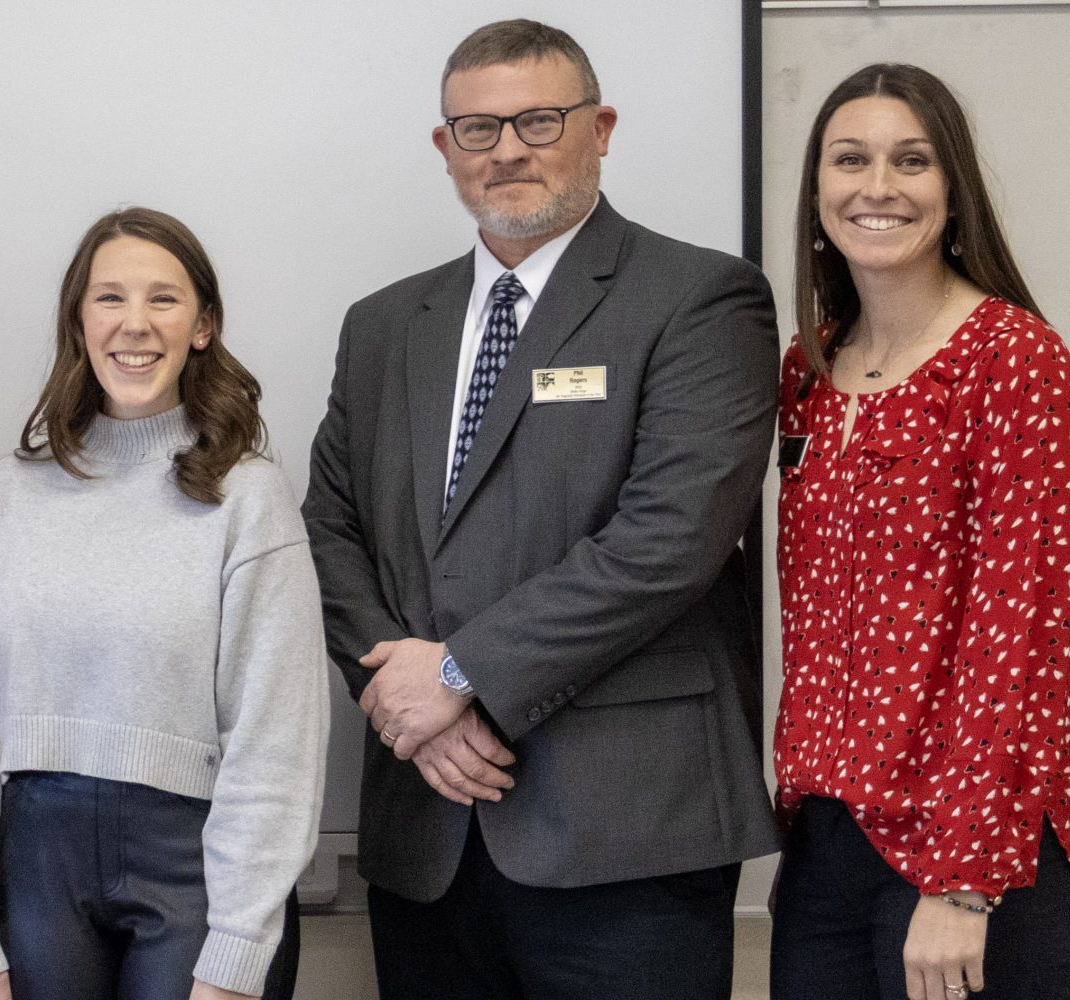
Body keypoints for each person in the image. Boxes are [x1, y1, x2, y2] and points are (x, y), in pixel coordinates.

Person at [301, 18, 781, 999]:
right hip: (427, 828)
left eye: (539, 120)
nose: (507, 150)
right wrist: (411, 704)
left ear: (599, 129)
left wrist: (457, 672)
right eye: (478, 129)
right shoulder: (383, 325)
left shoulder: (700, 298)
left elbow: (669, 540)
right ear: (445, 149)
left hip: (626, 835)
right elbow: (329, 531)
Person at [0, 207, 327, 1000]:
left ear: (203, 326)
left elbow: (276, 737)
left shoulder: (249, 497)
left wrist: (240, 946)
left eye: (163, 299)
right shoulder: (12, 492)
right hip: (35, 866)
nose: (134, 323)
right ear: (78, 320)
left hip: (195, 868)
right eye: (109, 297)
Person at [771, 63, 1070, 1000]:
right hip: (830, 843)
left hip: (975, 855)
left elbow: (1025, 635)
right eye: (850, 160)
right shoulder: (809, 367)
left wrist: (964, 878)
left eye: (911, 161)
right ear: (817, 191)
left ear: (953, 191)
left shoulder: (1015, 360)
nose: (877, 187)